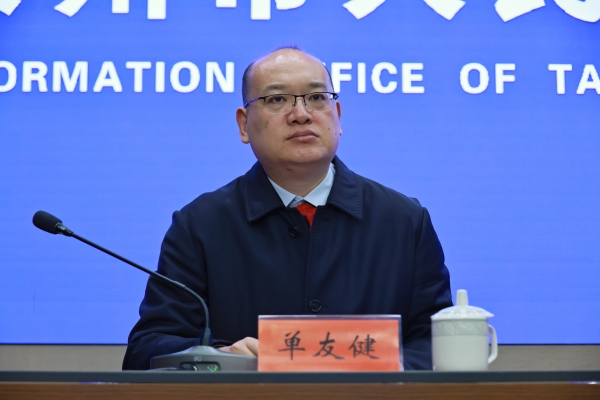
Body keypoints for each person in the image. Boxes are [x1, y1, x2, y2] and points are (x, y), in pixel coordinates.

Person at [123, 47, 452, 370]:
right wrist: (220, 356)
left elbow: (438, 345)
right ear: (243, 124)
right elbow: (146, 350)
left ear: (338, 116)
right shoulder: (200, 225)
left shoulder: (404, 222)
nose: (301, 114)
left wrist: (374, 367)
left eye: (317, 97)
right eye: (277, 99)